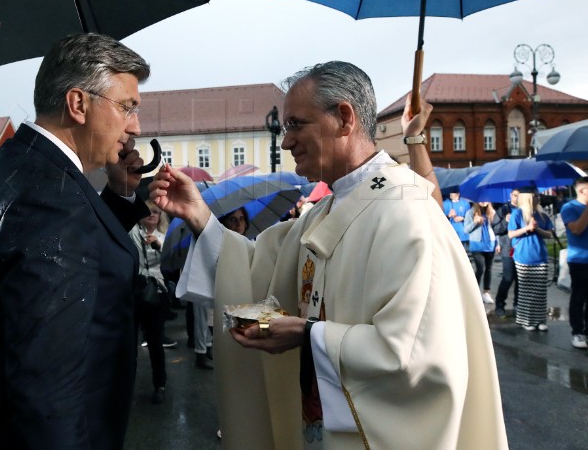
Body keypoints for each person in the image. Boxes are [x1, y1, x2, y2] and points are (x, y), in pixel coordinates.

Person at [151, 62, 507, 450]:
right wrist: (200, 215)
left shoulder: (406, 211)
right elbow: (257, 269)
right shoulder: (327, 209)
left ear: (344, 118)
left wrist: (308, 335)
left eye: (296, 125)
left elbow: (417, 354)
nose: (286, 142)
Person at [0, 33, 151, 450]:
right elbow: (47, 381)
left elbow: (79, 258)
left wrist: (118, 196)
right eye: (127, 107)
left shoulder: (20, 164)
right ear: (78, 104)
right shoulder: (50, 194)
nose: (135, 126)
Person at [130, 200, 170, 404]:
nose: (152, 214)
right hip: (134, 290)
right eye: (148, 211)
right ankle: (125, 385)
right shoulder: (133, 232)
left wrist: (158, 244)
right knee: (128, 342)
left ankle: (160, 384)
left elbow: (172, 260)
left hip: (157, 293)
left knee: (155, 341)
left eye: (157, 212)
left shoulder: (165, 237)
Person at [508, 190, 554, 332]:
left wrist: (537, 228)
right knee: (527, 290)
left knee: (540, 291)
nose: (538, 198)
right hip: (524, 256)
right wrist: (527, 228)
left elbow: (549, 234)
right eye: (535, 196)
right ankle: (526, 319)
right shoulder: (517, 214)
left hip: (540, 255)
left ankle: (540, 319)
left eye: (538, 196)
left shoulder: (542, 215)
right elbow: (511, 234)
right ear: (527, 198)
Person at [559, 177, 588, 349]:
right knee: (579, 296)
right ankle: (577, 332)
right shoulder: (569, 208)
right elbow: (576, 229)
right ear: (583, 191)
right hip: (579, 259)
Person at [492, 189, 520, 318]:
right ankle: (500, 304)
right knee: (508, 278)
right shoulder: (503, 209)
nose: (517, 198)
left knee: (520, 279)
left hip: (521, 248)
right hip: (507, 248)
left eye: (519, 196)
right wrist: (506, 221)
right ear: (510, 196)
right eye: (515, 195)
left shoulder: (525, 209)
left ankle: (517, 305)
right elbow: (496, 229)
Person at [464, 201, 499, 304]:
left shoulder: (492, 212)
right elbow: (466, 230)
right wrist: (475, 222)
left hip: (490, 244)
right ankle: (473, 293)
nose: (484, 202)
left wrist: (498, 243)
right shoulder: (470, 212)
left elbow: (496, 229)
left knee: (489, 269)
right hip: (477, 245)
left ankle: (486, 293)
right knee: (480, 269)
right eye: (481, 200)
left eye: (486, 199)